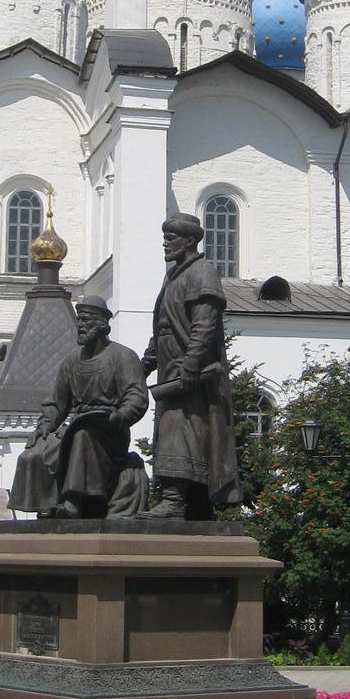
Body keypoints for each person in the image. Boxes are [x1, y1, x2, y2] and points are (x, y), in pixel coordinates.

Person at [8, 296, 149, 519]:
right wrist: (44, 426)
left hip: (110, 432)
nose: (80, 326)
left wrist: (120, 416)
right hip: (75, 427)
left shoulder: (123, 356)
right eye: (79, 320)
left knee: (83, 435)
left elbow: (136, 396)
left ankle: (73, 502)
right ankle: (46, 505)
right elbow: (56, 403)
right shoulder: (71, 362)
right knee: (36, 452)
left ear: (101, 324)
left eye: (86, 320)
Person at [142, 213, 241, 519]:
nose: (165, 244)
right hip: (170, 366)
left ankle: (174, 500)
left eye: (170, 238)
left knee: (181, 427)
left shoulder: (202, 273)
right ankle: (195, 504)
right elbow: (163, 325)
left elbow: (204, 325)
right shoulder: (173, 277)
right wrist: (146, 362)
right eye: (165, 238)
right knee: (178, 427)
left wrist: (190, 364)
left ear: (189, 241)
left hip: (190, 373)